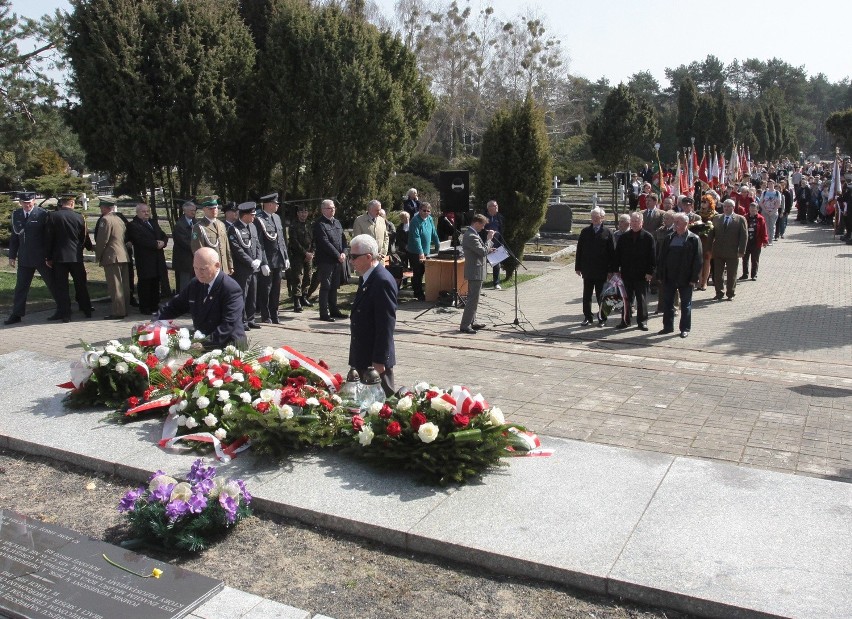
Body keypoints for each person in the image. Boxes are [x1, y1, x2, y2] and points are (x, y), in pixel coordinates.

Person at [156, 247, 246, 350]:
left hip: (228, 347)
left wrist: (206, 343)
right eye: (195, 268)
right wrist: (156, 322)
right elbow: (175, 305)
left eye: (203, 269)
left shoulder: (230, 288)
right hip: (202, 344)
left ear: (217, 266)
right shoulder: (195, 283)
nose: (198, 273)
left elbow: (229, 323)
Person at [348, 234, 398, 396]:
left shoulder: (381, 281)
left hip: (374, 361)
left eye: (354, 257)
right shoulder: (367, 277)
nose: (350, 261)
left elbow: (386, 324)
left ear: (369, 257)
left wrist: (380, 359)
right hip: (363, 355)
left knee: (384, 406)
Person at [5, 192, 57, 325]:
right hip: (24, 258)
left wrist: (49, 256)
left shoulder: (42, 214)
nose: (27, 205)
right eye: (24, 203)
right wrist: (12, 255)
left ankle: (63, 308)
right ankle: (17, 314)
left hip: (42, 258)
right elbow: (15, 237)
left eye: (30, 202)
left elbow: (49, 237)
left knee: (53, 284)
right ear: (20, 203)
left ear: (34, 201)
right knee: (21, 287)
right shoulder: (16, 214)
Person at [45, 194, 94, 322]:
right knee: (81, 284)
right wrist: (89, 247)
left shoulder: (52, 216)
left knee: (62, 286)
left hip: (59, 257)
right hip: (76, 256)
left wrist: (48, 257)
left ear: (61, 204)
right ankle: (87, 309)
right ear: (72, 203)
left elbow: (49, 238)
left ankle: (65, 314)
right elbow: (84, 236)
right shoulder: (79, 217)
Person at [656, 213, 702, 339]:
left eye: (678, 222)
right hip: (669, 277)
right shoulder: (669, 238)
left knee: (686, 304)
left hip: (686, 278)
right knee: (668, 303)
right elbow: (662, 258)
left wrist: (694, 278)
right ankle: (667, 327)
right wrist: (660, 275)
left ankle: (685, 328)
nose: (675, 224)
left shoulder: (694, 239)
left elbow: (698, 261)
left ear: (686, 224)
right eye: (675, 222)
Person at [613, 211, 655, 331]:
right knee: (626, 299)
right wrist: (616, 269)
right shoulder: (624, 237)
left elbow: (652, 256)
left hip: (642, 274)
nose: (635, 223)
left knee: (641, 299)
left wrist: (650, 272)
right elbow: (618, 255)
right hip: (626, 273)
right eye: (633, 221)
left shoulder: (648, 237)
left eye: (637, 221)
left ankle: (642, 321)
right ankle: (625, 321)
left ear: (642, 222)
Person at [228, 201, 266, 330]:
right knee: (242, 295)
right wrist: (250, 261)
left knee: (252, 295)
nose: (254, 217)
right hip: (242, 269)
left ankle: (251, 319)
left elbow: (258, 245)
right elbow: (237, 249)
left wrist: (259, 260)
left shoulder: (253, 227)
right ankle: (242, 321)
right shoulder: (234, 228)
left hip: (254, 268)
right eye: (252, 214)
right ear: (245, 215)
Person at [126, 202, 169, 315]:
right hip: (145, 259)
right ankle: (145, 307)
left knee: (155, 283)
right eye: (143, 211)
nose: (146, 213)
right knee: (145, 284)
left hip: (157, 259)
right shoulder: (134, 225)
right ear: (137, 212)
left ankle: (154, 306)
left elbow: (163, 235)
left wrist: (163, 242)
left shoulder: (153, 222)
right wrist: (155, 244)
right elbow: (139, 240)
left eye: (147, 211)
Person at [574, 207, 614, 327]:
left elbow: (612, 252)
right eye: (593, 217)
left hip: (602, 270)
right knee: (587, 296)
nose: (595, 219)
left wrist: (611, 270)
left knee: (601, 296)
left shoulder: (608, 232)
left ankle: (602, 318)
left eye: (597, 217)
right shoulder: (585, 231)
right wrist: (578, 267)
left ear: (602, 218)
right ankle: (587, 317)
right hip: (588, 269)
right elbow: (579, 250)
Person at [254, 192, 290, 324]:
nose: (278, 205)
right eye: (276, 203)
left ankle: (275, 314)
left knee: (276, 289)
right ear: (269, 204)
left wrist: (285, 257)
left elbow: (281, 239)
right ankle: (266, 315)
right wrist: (263, 262)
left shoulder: (277, 218)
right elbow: (259, 243)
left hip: (278, 259)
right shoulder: (259, 220)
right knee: (266, 289)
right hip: (268, 260)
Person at [313, 199, 347, 322]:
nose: (332, 209)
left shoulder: (337, 222)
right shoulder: (320, 224)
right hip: (326, 260)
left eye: (333, 207)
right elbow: (324, 242)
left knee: (334, 286)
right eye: (329, 208)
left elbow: (343, 239)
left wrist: (344, 252)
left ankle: (334, 310)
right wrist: (338, 254)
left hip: (337, 260)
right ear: (323, 210)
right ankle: (324, 312)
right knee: (325, 287)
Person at [95, 201, 130, 319]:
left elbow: (102, 240)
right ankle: (125, 308)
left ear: (105, 208)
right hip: (123, 254)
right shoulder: (119, 219)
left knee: (115, 285)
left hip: (112, 256)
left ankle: (118, 311)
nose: (101, 210)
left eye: (101, 208)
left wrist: (98, 255)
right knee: (124, 284)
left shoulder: (105, 220)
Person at [459, 214, 493, 334]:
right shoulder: (471, 235)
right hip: (475, 271)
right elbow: (482, 251)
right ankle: (465, 325)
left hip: (477, 270)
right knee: (473, 299)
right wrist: (489, 239)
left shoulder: (473, 234)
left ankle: (472, 321)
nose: (483, 228)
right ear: (476, 223)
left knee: (474, 298)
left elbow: (480, 250)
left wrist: (488, 248)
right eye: (482, 225)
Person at [709, 199, 748, 301]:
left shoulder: (740, 219)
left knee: (731, 274)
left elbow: (744, 236)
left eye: (728, 206)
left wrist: (741, 251)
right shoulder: (716, 218)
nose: (726, 208)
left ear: (733, 208)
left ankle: (730, 293)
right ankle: (719, 293)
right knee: (717, 274)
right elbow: (711, 235)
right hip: (718, 251)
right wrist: (709, 249)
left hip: (733, 252)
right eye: (725, 206)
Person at [406, 201, 440, 302]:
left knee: (425, 271)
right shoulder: (415, 221)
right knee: (418, 273)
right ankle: (418, 294)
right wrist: (420, 252)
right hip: (415, 252)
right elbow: (416, 237)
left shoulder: (429, 219)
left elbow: (434, 232)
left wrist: (438, 245)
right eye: (424, 210)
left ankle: (425, 292)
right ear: (419, 210)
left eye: (428, 211)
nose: (426, 212)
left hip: (427, 250)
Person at [191, 196, 234, 275]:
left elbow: (226, 246)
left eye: (216, 208)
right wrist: (203, 269)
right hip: (210, 270)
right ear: (204, 209)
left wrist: (230, 265)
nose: (214, 210)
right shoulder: (199, 227)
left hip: (224, 268)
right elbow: (198, 250)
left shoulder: (221, 224)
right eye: (210, 208)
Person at [288, 204, 315, 312]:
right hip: (297, 255)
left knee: (308, 276)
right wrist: (305, 253)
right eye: (301, 212)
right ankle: (297, 301)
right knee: (297, 277)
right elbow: (294, 242)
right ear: (298, 214)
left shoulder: (309, 225)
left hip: (309, 255)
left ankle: (304, 296)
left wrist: (312, 252)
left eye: (305, 212)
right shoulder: (293, 226)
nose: (303, 214)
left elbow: (313, 240)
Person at [172, 200, 197, 292]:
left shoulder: (196, 223)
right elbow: (185, 242)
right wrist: (199, 249)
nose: (193, 212)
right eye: (191, 210)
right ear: (185, 211)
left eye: (195, 210)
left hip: (194, 259)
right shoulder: (180, 225)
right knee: (185, 285)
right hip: (183, 261)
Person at [740, 202, 768, 281]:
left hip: (756, 242)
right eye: (751, 210)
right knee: (745, 259)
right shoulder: (745, 217)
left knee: (755, 260)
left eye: (754, 210)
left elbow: (764, 230)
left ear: (757, 210)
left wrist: (765, 241)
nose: (752, 212)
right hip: (746, 242)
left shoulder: (760, 218)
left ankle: (754, 275)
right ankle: (745, 274)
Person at [483, 200, 505, 289]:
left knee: (496, 265)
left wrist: (501, 243)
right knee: (483, 264)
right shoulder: (484, 217)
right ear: (489, 208)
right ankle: (481, 282)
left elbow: (502, 230)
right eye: (494, 206)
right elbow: (479, 229)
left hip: (496, 244)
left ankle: (496, 283)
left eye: (496, 205)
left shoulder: (499, 217)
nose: (496, 207)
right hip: (485, 243)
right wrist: (487, 233)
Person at [758, 179, 782, 243]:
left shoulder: (777, 193)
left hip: (773, 212)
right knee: (766, 225)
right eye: (769, 184)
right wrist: (765, 210)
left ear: (774, 184)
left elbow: (778, 203)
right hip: (765, 211)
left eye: (771, 184)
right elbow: (760, 202)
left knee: (772, 225)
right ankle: (766, 239)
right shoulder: (764, 192)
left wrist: (772, 211)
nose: (770, 185)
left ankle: (770, 239)